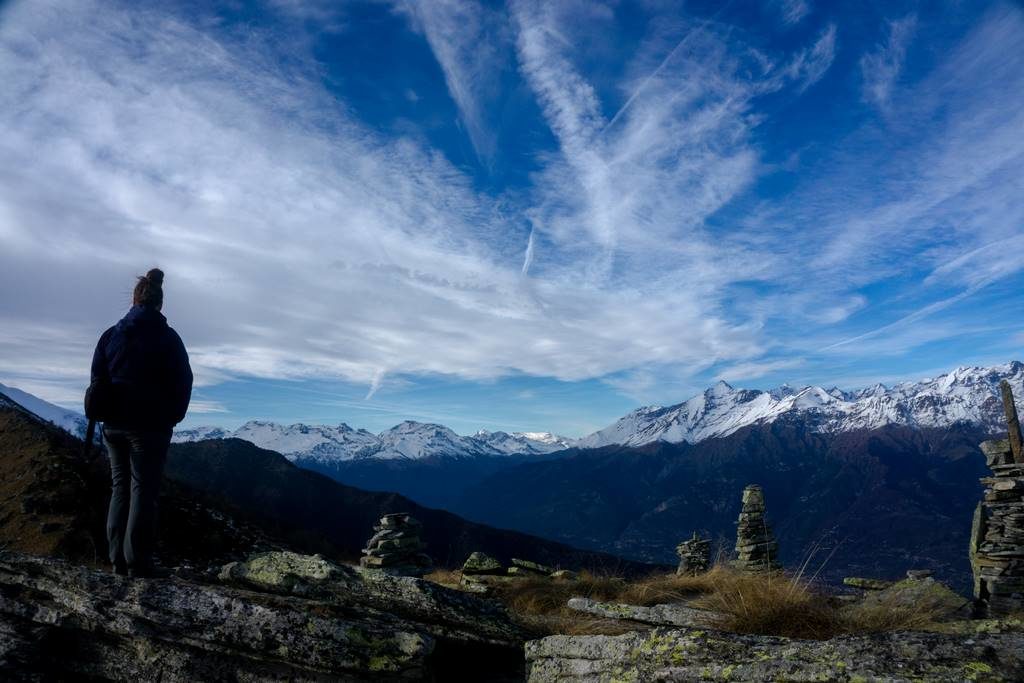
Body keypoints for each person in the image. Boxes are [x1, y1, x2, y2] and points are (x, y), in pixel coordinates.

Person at [90, 268, 192, 578]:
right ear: (160, 304)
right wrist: (172, 417)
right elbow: (184, 381)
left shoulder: (111, 335)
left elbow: (97, 378)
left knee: (120, 487)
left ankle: (116, 560)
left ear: (135, 300)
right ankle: (138, 562)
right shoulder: (168, 338)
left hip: (113, 426)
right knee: (143, 491)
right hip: (149, 428)